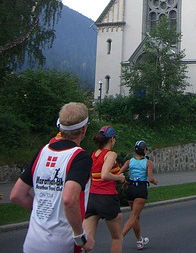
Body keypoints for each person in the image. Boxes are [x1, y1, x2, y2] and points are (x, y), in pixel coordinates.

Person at [10, 102, 94, 253]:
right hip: (62, 244)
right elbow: (69, 200)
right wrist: (81, 238)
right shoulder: (80, 158)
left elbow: (17, 195)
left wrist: (44, 210)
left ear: (60, 127)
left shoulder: (42, 152)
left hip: (32, 243)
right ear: (84, 129)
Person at [84, 125, 126, 253]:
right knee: (117, 237)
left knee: (86, 240)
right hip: (107, 198)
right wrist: (119, 177)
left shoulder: (94, 154)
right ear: (112, 139)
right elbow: (105, 174)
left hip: (92, 198)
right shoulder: (111, 154)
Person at [122, 140, 158, 250]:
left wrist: (123, 181)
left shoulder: (129, 161)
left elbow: (119, 172)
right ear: (144, 150)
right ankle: (119, 237)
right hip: (140, 190)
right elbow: (150, 178)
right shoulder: (148, 163)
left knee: (136, 216)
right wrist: (155, 182)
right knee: (133, 217)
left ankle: (139, 241)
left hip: (130, 189)